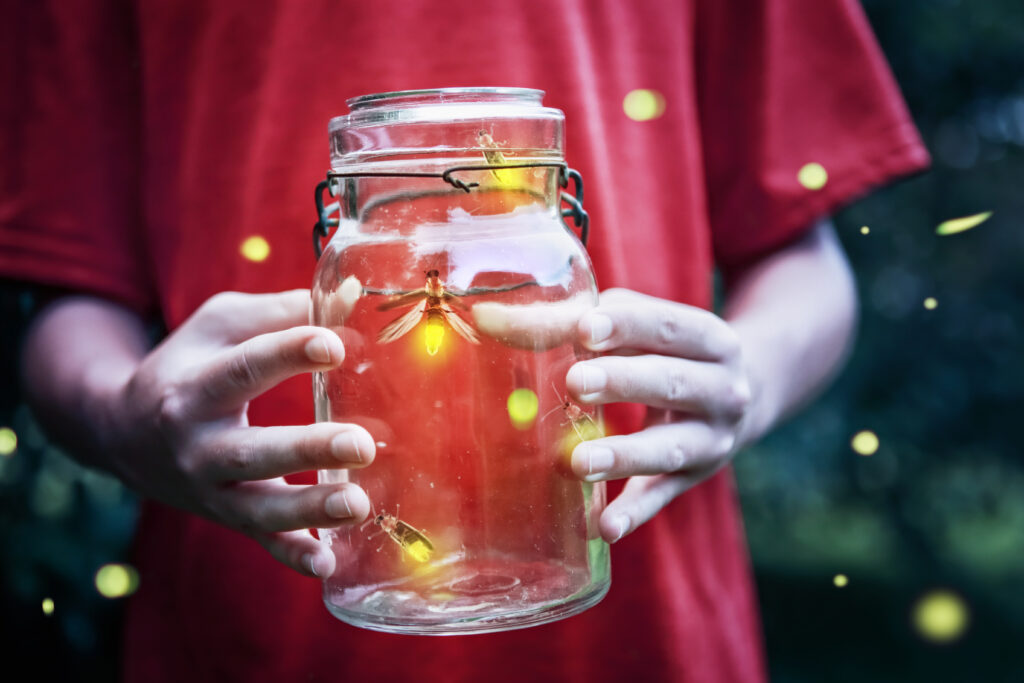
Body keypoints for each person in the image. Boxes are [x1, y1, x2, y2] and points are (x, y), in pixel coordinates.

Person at [0, 0, 928, 680]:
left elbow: (804, 262)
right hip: (241, 636)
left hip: (654, 642)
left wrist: (753, 375)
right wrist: (122, 414)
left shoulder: (542, 239)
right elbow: (67, 294)